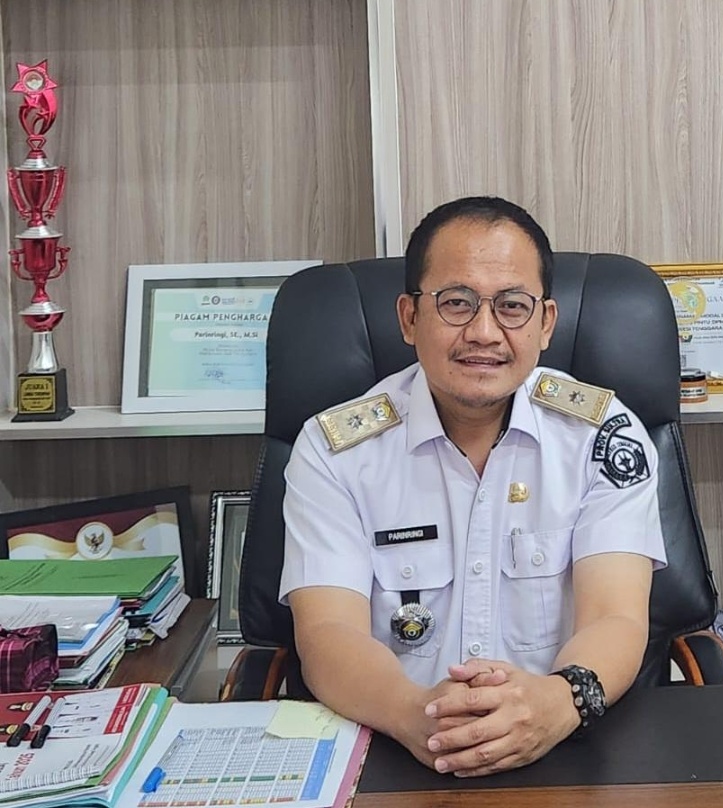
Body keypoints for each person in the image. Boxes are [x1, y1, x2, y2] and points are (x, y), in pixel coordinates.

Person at [279, 195, 666, 777]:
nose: (484, 333)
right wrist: (416, 715)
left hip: (565, 741)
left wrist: (558, 701)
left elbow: (616, 617)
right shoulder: (335, 450)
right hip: (396, 744)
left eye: (512, 306)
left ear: (545, 323)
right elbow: (327, 633)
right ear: (409, 318)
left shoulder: (602, 436)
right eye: (456, 303)